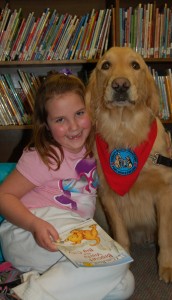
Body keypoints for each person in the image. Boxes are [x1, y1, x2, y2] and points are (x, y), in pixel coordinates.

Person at [0, 72, 134, 300]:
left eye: (80, 113)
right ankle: (31, 295)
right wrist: (34, 225)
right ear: (46, 125)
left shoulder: (95, 148)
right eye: (60, 120)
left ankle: (27, 282)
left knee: (123, 285)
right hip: (30, 232)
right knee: (112, 260)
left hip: (68, 238)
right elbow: (4, 196)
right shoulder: (44, 156)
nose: (73, 126)